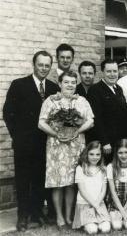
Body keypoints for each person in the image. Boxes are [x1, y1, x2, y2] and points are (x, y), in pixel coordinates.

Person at [3, 50, 59, 231]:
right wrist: (17, 136)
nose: (43, 68)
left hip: (45, 144)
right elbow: (8, 113)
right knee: (23, 180)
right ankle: (22, 216)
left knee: (39, 179)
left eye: (47, 65)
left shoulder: (53, 88)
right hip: (24, 145)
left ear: (50, 67)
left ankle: (36, 213)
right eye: (40, 64)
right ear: (33, 64)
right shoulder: (19, 85)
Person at [38, 71, 94, 228]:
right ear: (60, 83)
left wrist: (78, 131)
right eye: (66, 82)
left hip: (76, 145)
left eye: (73, 82)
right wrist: (56, 134)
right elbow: (41, 123)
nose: (70, 85)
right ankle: (59, 217)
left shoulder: (81, 101)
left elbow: (90, 120)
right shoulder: (51, 101)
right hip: (56, 146)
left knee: (70, 182)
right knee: (57, 182)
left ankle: (69, 216)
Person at [87, 59, 127, 163]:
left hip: (120, 142)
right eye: (109, 71)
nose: (112, 74)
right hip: (107, 144)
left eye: (115, 71)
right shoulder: (95, 90)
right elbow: (96, 118)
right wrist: (104, 142)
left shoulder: (118, 89)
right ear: (102, 72)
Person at [72, 141, 111, 234]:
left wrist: (97, 205)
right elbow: (82, 191)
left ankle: (98, 221)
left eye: (98, 154)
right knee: (93, 230)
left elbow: (103, 190)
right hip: (85, 204)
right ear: (86, 154)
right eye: (91, 154)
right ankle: (88, 223)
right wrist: (94, 205)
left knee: (106, 229)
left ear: (101, 155)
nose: (95, 157)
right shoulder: (80, 168)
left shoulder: (103, 169)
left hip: (99, 203)